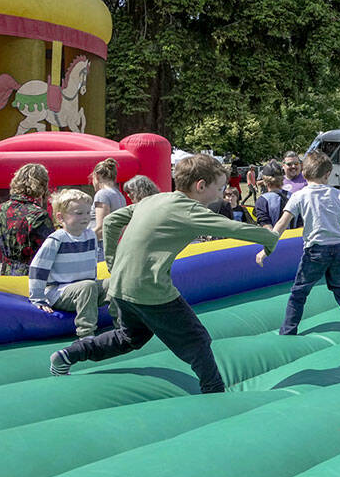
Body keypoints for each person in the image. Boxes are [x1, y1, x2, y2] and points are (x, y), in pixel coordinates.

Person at [49, 154, 279, 391]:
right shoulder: (189, 210)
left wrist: (112, 263)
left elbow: (110, 222)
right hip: (150, 289)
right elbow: (233, 228)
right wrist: (270, 239)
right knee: (197, 340)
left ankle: (70, 353)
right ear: (200, 186)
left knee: (129, 338)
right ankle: (215, 391)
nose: (222, 194)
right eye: (219, 188)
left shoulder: (154, 200)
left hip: (119, 286)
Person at [256, 150, 340, 340]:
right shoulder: (337, 193)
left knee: (299, 292)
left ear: (304, 172)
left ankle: (288, 331)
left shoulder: (299, 195)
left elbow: (281, 224)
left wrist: (267, 249)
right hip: (339, 247)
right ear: (327, 174)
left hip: (316, 250)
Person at [28, 189, 116, 337]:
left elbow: (92, 264)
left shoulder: (90, 236)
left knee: (114, 282)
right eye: (79, 213)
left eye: (88, 213)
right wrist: (38, 298)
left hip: (86, 289)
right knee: (86, 286)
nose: (85, 217)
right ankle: (86, 333)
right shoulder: (57, 239)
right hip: (59, 292)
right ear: (60, 217)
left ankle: (121, 325)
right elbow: (38, 268)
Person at [0, 163, 56, 276]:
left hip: (6, 273)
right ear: (42, 185)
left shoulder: (1, 208)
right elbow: (51, 251)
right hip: (31, 275)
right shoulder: (38, 215)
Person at [89, 158, 127, 259]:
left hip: (100, 246)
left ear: (96, 176)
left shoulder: (102, 194)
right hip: (114, 245)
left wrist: (81, 239)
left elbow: (101, 227)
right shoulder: (119, 195)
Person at [252, 162, 292, 229]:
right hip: (294, 237)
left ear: (264, 180)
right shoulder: (293, 196)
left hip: (275, 238)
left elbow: (267, 227)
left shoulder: (262, 200)